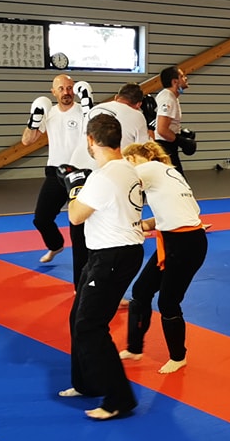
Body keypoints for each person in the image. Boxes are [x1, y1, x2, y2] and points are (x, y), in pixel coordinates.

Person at [60, 115, 143, 420]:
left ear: (90, 141)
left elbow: (75, 216)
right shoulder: (128, 169)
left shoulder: (102, 177)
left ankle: (120, 399)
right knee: (78, 317)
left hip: (112, 257)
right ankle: (87, 383)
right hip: (112, 254)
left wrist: (74, 189)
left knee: (90, 325)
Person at [119, 142, 207, 374]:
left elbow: (120, 181)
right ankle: (134, 348)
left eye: (128, 161)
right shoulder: (169, 173)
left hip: (186, 244)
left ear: (136, 158)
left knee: (168, 302)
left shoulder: (149, 168)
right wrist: (140, 225)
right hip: (176, 240)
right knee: (141, 290)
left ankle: (178, 357)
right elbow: (176, 213)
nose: (128, 166)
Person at [21, 74, 96, 276]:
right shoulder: (49, 113)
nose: (66, 92)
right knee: (41, 219)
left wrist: (89, 107)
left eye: (69, 88)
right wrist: (34, 119)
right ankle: (55, 245)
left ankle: (80, 280)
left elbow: (96, 133)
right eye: (61, 89)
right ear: (53, 92)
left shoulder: (84, 110)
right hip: (56, 172)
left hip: (80, 172)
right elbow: (27, 141)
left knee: (77, 228)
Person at [87, 83, 150, 150]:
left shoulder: (93, 109)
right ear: (139, 104)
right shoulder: (137, 115)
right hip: (116, 155)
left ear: (116, 97)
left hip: (84, 154)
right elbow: (143, 148)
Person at [154, 66, 189, 176]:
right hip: (164, 147)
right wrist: (181, 141)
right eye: (182, 76)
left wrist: (180, 133)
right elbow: (161, 130)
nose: (186, 78)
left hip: (167, 145)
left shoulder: (171, 97)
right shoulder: (167, 98)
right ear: (175, 81)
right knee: (178, 181)